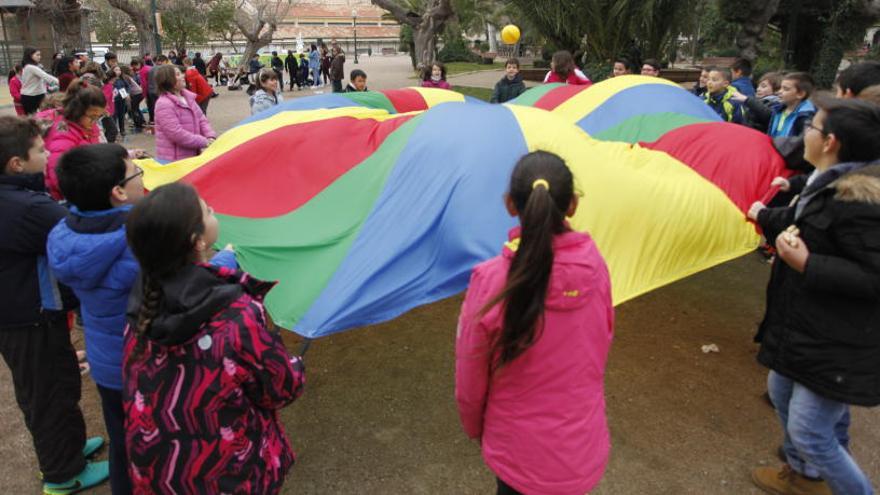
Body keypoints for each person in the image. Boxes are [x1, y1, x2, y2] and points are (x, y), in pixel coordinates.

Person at [123, 182, 306, 494]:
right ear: (196, 241)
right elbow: (281, 388)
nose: (215, 212)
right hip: (228, 473)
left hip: (158, 472)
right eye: (207, 210)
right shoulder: (236, 317)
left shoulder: (140, 308)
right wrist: (294, 363)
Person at [456, 150, 613, 495]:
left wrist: (475, 428)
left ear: (510, 204)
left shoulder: (491, 281)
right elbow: (599, 346)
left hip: (517, 455)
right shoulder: (597, 268)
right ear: (572, 204)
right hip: (580, 451)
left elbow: (470, 379)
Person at [746, 96, 880, 495]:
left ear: (830, 141)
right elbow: (806, 223)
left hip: (838, 337)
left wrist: (808, 264)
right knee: (780, 390)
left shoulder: (862, 203)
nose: (805, 134)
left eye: (813, 128)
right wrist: (765, 217)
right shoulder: (825, 182)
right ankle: (803, 474)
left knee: (812, 429)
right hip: (806, 323)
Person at [0, 115, 110, 494]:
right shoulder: (27, 207)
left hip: (21, 315)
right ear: (17, 164)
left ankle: (69, 450)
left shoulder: (17, 197)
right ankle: (63, 474)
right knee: (48, 393)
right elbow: (77, 229)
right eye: (40, 150)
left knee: (55, 385)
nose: (48, 154)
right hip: (31, 317)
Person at [47, 143, 145, 495]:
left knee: (121, 443)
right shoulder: (139, 242)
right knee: (158, 444)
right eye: (138, 173)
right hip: (142, 365)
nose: (142, 178)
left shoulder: (64, 234)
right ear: (118, 192)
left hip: (107, 366)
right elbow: (183, 289)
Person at [41, 79, 105, 199]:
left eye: (99, 117)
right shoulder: (62, 134)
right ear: (77, 111)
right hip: (65, 198)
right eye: (92, 117)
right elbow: (58, 177)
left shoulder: (87, 127)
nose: (95, 122)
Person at [153, 64, 216, 161]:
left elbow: (201, 119)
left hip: (191, 156)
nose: (183, 76)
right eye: (178, 75)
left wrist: (210, 136)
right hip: (174, 160)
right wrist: (204, 141)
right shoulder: (164, 104)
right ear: (168, 80)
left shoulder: (188, 98)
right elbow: (176, 133)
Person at [765, 72, 815, 138]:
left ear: (800, 94)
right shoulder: (777, 109)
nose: (779, 92)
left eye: (786, 89)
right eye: (781, 88)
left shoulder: (805, 117)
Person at [20, 47, 59, 114]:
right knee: (35, 118)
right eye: (37, 55)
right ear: (30, 56)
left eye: (40, 55)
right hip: (31, 97)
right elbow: (47, 77)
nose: (39, 57)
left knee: (40, 116)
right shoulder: (31, 67)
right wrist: (62, 81)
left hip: (37, 95)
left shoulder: (30, 66)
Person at [146, 54, 170, 126]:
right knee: (163, 107)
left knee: (155, 107)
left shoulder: (151, 69)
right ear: (164, 61)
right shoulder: (163, 69)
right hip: (159, 91)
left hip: (151, 91)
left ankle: (156, 121)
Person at [124, 61, 146, 133]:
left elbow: (129, 88)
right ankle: (142, 122)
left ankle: (138, 125)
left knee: (134, 109)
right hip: (139, 93)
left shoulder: (126, 77)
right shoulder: (129, 76)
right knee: (136, 108)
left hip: (137, 94)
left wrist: (128, 95)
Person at [102, 68, 122, 143]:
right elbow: (105, 99)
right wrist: (106, 110)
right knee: (113, 130)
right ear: (113, 78)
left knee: (109, 130)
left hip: (109, 111)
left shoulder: (109, 86)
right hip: (106, 113)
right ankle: (109, 145)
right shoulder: (108, 86)